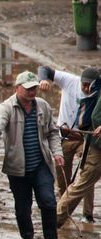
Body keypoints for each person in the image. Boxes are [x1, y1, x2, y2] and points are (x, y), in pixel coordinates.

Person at [0, 71, 64, 239]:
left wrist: (57, 152)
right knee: (22, 209)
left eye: (34, 88)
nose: (32, 92)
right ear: (17, 88)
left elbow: (53, 132)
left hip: (41, 164)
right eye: (28, 89)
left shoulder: (43, 106)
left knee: (48, 202)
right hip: (17, 168)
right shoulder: (7, 107)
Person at [38, 66, 100, 223]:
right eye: (83, 85)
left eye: (89, 86)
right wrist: (43, 79)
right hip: (64, 136)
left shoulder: (98, 92)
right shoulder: (69, 81)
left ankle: (87, 214)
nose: (85, 89)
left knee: (87, 173)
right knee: (62, 176)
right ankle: (65, 210)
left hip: (85, 138)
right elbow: (44, 68)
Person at [57, 75, 101, 228]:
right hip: (95, 146)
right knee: (82, 182)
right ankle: (54, 221)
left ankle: (86, 215)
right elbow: (95, 116)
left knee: (82, 183)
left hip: (90, 143)